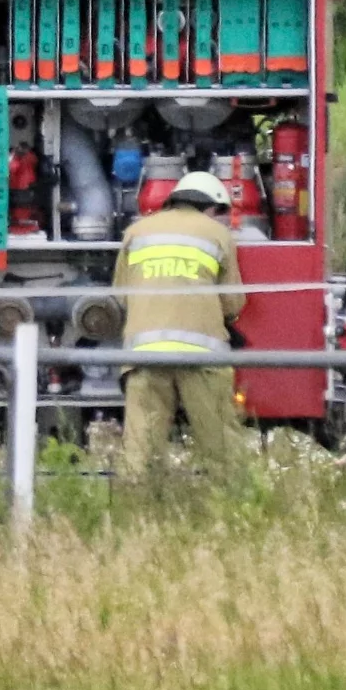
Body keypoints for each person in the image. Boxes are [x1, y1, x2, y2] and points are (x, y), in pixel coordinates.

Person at [111, 169, 248, 477]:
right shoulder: (218, 235)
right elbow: (233, 302)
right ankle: (229, 510)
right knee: (221, 449)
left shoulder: (137, 232)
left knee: (141, 452)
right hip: (202, 356)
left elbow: (121, 295)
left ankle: (137, 515)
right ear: (211, 206)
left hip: (144, 354)